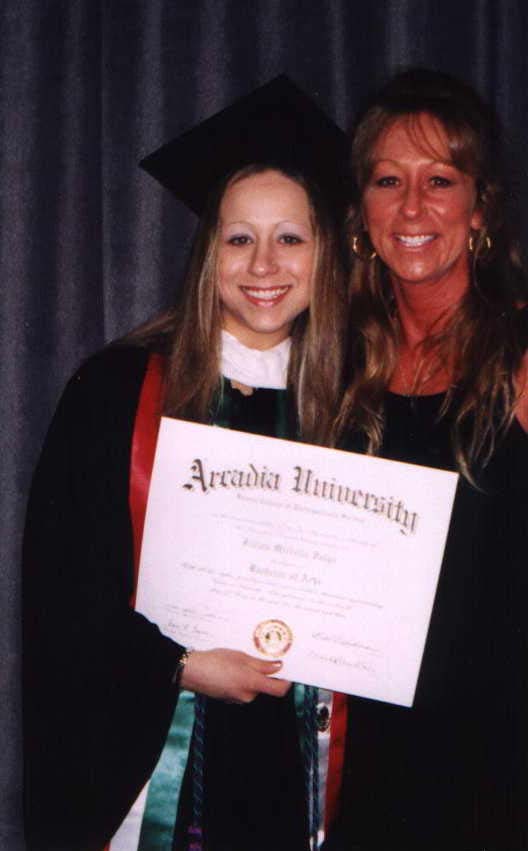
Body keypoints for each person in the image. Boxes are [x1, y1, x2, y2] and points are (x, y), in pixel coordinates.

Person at [22, 77, 349, 851]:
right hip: (151, 751)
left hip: (299, 763)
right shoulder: (117, 391)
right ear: (209, 253)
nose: (263, 263)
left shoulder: (358, 406)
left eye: (290, 238)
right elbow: (62, 589)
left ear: (324, 255)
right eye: (239, 238)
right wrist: (183, 664)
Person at [327, 68, 528, 850]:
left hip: (494, 763)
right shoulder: (335, 364)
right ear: (361, 212)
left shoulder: (517, 354)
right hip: (361, 751)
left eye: (439, 180)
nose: (412, 208)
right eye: (387, 180)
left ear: (480, 208)